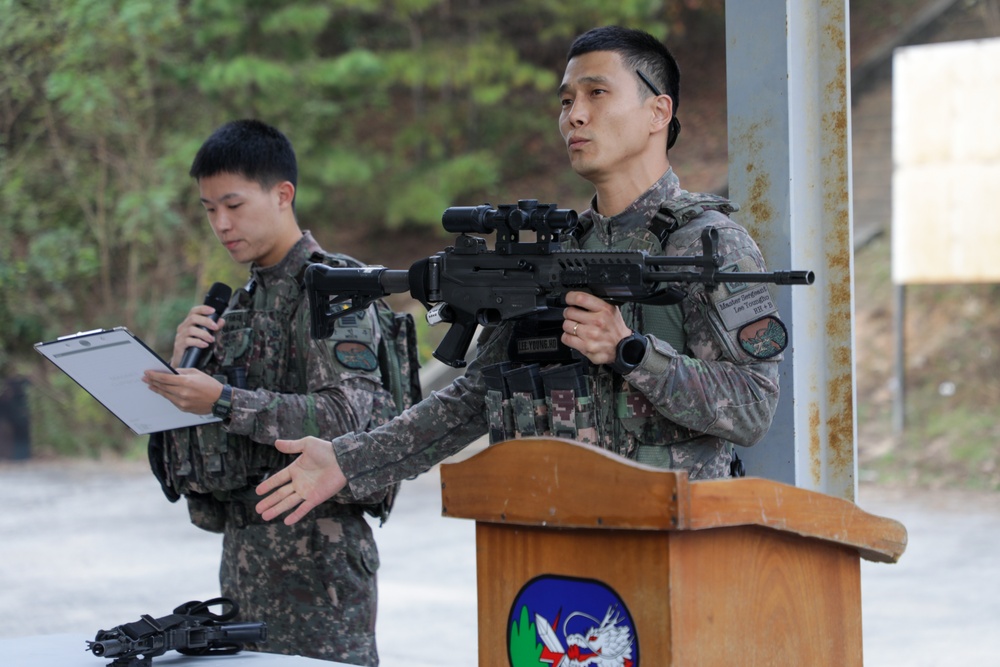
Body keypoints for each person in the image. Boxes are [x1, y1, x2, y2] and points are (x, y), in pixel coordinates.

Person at [254, 26, 788, 526]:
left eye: (596, 93)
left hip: (674, 538)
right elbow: (474, 398)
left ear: (658, 111)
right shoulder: (555, 251)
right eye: (565, 100)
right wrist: (347, 460)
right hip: (559, 534)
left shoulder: (705, 243)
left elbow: (753, 408)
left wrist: (631, 351)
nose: (573, 115)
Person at [142, 119, 395, 666]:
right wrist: (179, 377)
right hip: (242, 564)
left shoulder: (336, 289)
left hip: (320, 569)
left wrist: (224, 401)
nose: (221, 224)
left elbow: (352, 416)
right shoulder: (235, 306)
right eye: (209, 209)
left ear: (283, 195)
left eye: (233, 204)